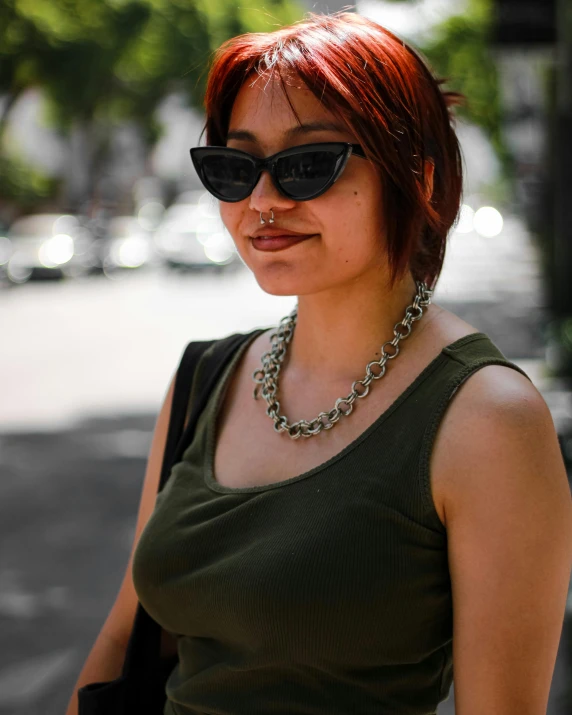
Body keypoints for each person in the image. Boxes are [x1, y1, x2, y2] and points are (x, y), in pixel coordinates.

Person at [67, 11, 572, 715]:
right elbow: (128, 636)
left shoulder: (488, 420)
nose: (263, 202)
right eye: (234, 168)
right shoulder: (203, 379)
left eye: (308, 165)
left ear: (418, 178)